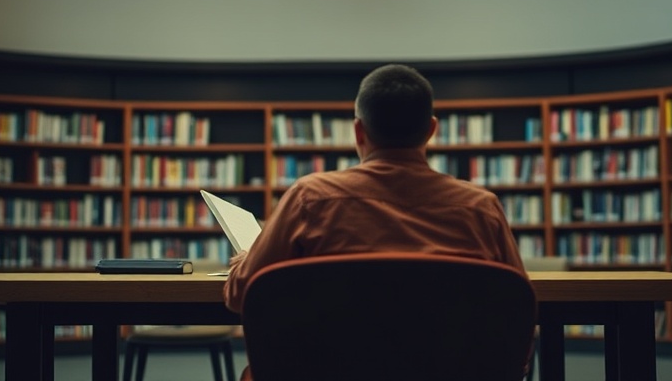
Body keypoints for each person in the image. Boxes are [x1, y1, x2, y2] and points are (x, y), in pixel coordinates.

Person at [223, 63, 527, 376]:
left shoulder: (310, 199)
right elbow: (518, 313)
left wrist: (245, 260)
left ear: (358, 130)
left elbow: (240, 295)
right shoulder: (481, 209)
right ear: (431, 130)